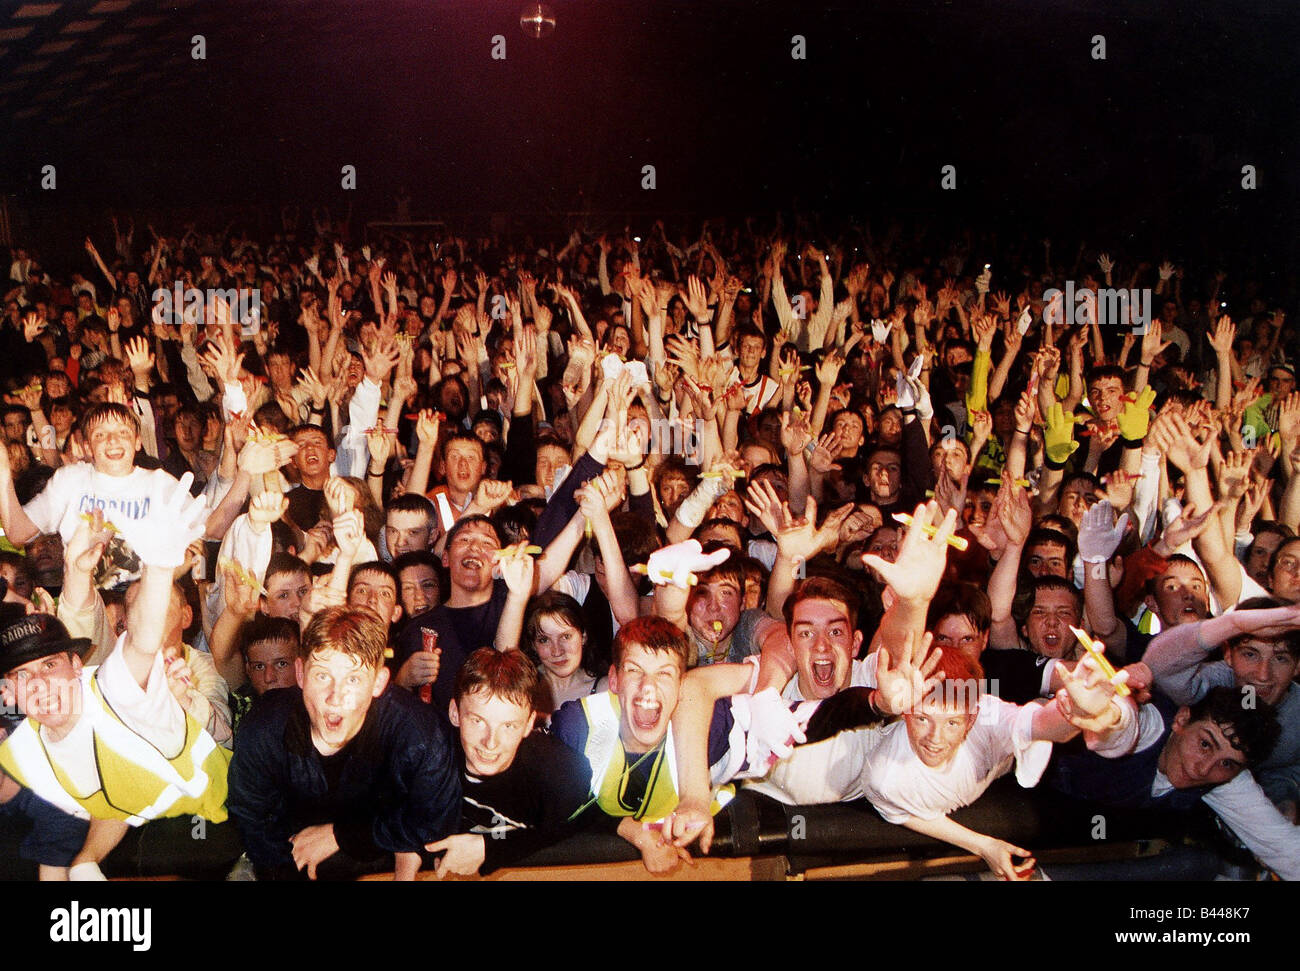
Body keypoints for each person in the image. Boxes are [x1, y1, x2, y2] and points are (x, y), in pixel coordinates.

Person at [0, 473, 231, 880]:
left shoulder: (113, 690)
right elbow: (115, 796)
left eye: (50, 666)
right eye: (22, 675)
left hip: (210, 815)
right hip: (138, 819)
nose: (39, 685)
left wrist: (160, 567)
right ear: (9, 692)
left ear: (77, 666)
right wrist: (84, 862)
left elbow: (142, 642)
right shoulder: (32, 748)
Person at [227, 606, 460, 880]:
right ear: (300, 674)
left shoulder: (420, 735)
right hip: (293, 851)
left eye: (353, 679)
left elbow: (435, 823)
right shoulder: (264, 729)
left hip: (381, 851)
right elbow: (252, 819)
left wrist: (342, 834)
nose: (334, 697)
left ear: (378, 682)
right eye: (322, 676)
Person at [416, 648, 591, 877]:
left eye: (508, 726)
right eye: (478, 721)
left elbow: (585, 822)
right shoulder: (423, 755)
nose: (490, 743)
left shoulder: (558, 771)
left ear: (529, 723)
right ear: (455, 713)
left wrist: (490, 849)